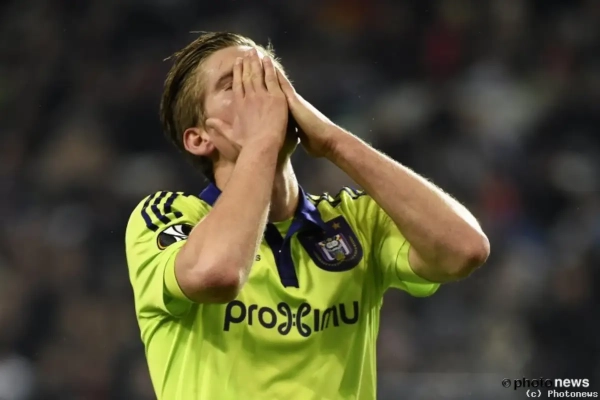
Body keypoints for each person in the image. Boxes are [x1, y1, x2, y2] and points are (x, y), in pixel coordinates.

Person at [125, 31, 490, 400]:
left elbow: (465, 250)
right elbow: (217, 274)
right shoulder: (167, 217)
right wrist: (261, 142)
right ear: (200, 138)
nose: (263, 93)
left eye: (267, 75)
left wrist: (333, 141)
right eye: (235, 84)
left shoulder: (356, 220)